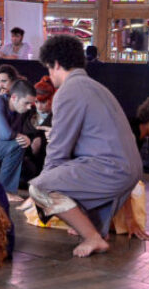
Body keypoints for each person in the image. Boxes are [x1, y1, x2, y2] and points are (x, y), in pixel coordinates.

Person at [26, 35, 141, 257]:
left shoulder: (69, 91)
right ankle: (95, 230)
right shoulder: (97, 87)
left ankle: (92, 238)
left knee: (39, 187)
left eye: (49, 69)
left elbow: (58, 151)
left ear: (56, 64)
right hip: (129, 169)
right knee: (61, 179)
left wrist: (44, 195)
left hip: (111, 170)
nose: (50, 75)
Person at [20, 76, 55, 182]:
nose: (39, 106)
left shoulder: (58, 117)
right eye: (36, 102)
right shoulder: (27, 112)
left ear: (51, 99)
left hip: (44, 167)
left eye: (43, 102)